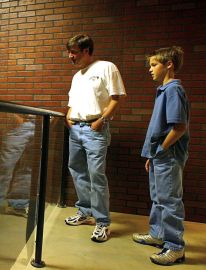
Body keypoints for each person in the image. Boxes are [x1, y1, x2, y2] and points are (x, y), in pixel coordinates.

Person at [63, 34, 126, 242]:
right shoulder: (77, 75)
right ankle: (84, 211)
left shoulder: (107, 67)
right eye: (69, 52)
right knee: (77, 171)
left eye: (74, 52)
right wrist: (68, 115)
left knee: (96, 175)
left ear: (87, 51)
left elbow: (116, 97)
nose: (70, 56)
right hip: (75, 130)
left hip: (95, 129)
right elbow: (72, 101)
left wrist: (101, 120)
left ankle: (103, 222)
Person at [133, 46, 189, 266]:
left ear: (169, 65)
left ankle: (175, 247)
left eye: (154, 64)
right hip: (159, 155)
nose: (150, 69)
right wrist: (152, 155)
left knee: (169, 201)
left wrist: (162, 150)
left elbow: (179, 127)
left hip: (169, 155)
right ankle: (158, 234)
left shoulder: (174, 90)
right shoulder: (163, 90)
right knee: (158, 198)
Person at [0, 113, 35, 229]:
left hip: (38, 122)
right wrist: (14, 115)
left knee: (27, 169)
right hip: (19, 123)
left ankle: (18, 205)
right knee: (5, 169)